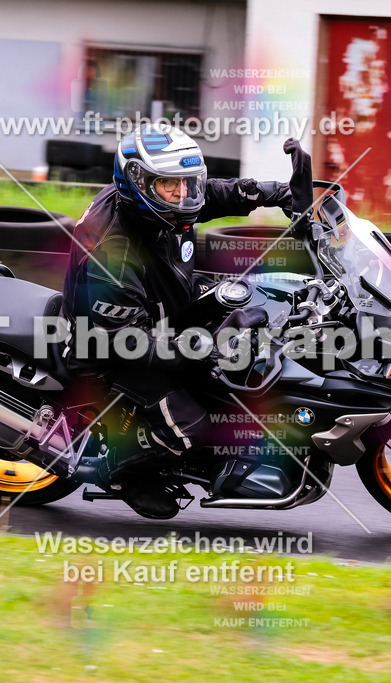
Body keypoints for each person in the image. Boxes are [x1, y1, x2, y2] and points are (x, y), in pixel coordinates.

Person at [61, 124, 296, 519]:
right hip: (106, 349)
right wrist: (205, 345)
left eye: (188, 183)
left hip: (157, 306)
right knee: (192, 429)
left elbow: (211, 194)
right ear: (139, 183)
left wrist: (273, 192)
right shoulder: (114, 258)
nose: (185, 194)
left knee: (251, 297)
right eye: (174, 186)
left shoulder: (158, 204)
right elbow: (127, 342)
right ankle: (126, 472)